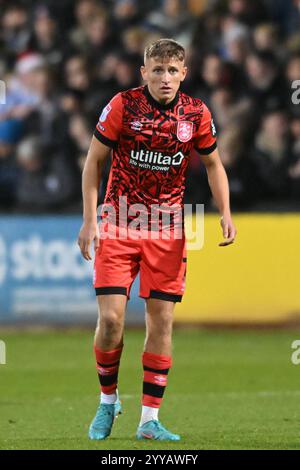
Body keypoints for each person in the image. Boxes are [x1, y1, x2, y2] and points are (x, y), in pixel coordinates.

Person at [77, 38, 236, 441]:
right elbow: (94, 161)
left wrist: (225, 213)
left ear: (184, 73)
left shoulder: (195, 113)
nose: (165, 78)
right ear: (143, 72)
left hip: (167, 229)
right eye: (157, 70)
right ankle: (108, 401)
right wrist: (89, 221)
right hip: (118, 221)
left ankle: (149, 419)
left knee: (161, 320)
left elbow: (214, 165)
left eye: (172, 71)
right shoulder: (123, 106)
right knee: (111, 319)